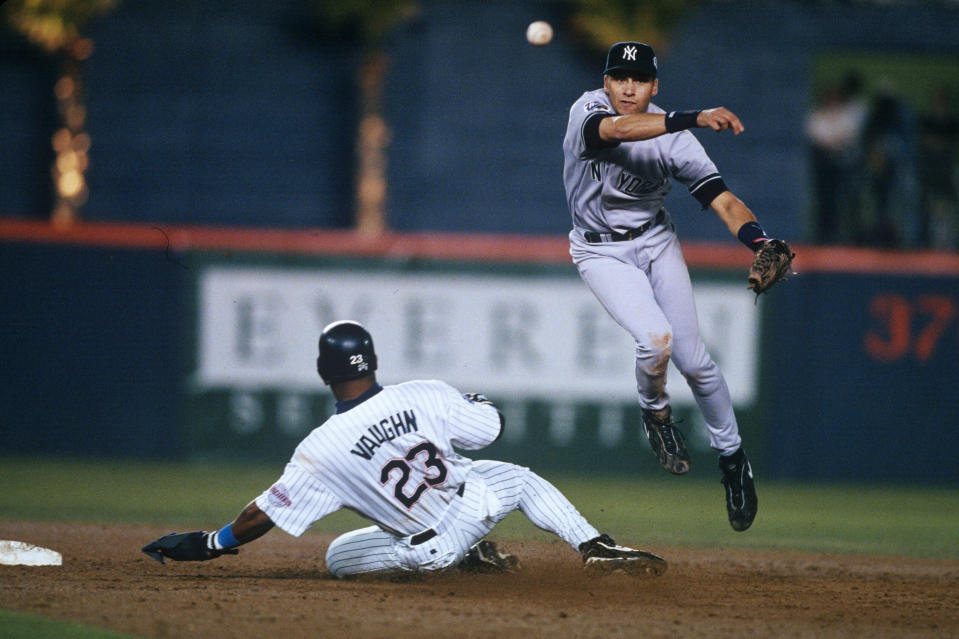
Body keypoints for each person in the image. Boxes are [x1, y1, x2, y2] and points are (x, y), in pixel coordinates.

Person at [142, 320, 667, 578]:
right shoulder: (424, 392)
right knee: (519, 478)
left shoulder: (319, 449)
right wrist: (479, 401)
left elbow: (264, 515)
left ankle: (466, 558)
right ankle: (594, 545)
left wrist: (213, 541)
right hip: (474, 506)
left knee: (334, 559)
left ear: (324, 371)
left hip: (424, 551)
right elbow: (491, 429)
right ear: (372, 360)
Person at [562, 41, 779, 532]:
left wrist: (759, 238)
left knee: (696, 362)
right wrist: (697, 116)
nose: (627, 87)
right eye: (619, 77)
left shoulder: (675, 138)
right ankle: (656, 416)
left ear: (654, 86)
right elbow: (615, 131)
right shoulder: (589, 110)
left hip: (656, 242)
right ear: (606, 82)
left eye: (638, 80)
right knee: (655, 339)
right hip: (600, 251)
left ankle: (733, 461)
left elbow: (722, 200)